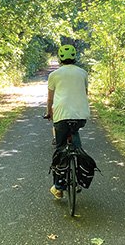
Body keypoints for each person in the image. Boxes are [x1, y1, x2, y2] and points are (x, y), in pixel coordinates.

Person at [44, 44, 90, 199]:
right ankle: (78, 159)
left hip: (62, 115)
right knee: (75, 133)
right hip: (80, 115)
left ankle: (58, 187)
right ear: (75, 57)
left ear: (60, 58)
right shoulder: (83, 73)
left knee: (60, 148)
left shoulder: (54, 75)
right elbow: (84, 93)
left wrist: (49, 112)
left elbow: (50, 98)